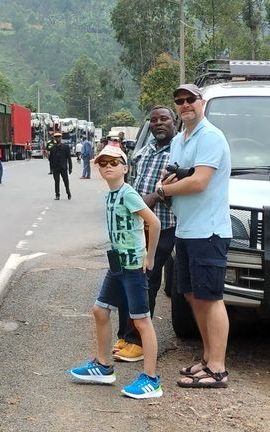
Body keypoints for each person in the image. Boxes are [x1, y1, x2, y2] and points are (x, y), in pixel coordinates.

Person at [68, 143, 162, 399]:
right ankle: (103, 364)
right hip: (117, 265)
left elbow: (153, 222)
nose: (108, 167)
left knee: (141, 321)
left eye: (114, 163)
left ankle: (151, 379)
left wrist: (149, 256)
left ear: (125, 167)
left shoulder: (128, 193)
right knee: (100, 310)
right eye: (103, 163)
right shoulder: (111, 194)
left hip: (133, 267)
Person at [158, 83, 232, 389]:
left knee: (211, 298)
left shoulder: (210, 137)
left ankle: (218, 368)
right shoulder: (180, 139)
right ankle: (206, 358)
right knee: (191, 294)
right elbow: (173, 174)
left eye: (191, 99)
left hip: (208, 231)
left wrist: (163, 190)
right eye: (180, 100)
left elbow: (200, 182)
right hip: (186, 229)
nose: (185, 104)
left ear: (202, 102)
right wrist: (169, 182)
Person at [113, 105, 177, 364]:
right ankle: (125, 336)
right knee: (125, 278)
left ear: (174, 122)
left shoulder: (179, 151)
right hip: (134, 227)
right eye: (154, 120)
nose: (158, 123)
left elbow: (171, 189)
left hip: (161, 226)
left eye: (164, 119)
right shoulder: (145, 151)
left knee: (146, 281)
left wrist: (150, 199)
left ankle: (139, 342)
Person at [47, 131, 72, 200]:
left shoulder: (65, 147)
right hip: (56, 167)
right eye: (56, 137)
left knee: (66, 181)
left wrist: (70, 168)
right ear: (54, 138)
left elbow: (69, 158)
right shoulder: (52, 148)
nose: (57, 138)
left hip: (63, 167)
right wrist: (52, 167)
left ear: (61, 138)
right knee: (56, 182)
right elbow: (50, 158)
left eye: (58, 137)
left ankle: (68, 192)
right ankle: (57, 195)